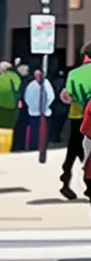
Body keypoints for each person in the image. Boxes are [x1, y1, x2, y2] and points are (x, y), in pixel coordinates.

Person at [58, 44, 91, 200]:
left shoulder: (74, 74)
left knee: (73, 150)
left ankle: (65, 180)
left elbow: (67, 96)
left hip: (77, 115)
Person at [0, 60, 23, 156]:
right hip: (12, 107)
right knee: (9, 129)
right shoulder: (15, 77)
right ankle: (6, 149)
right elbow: (19, 88)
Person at [22, 68, 55, 151]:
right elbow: (27, 98)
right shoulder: (31, 85)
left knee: (44, 132)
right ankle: (34, 147)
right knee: (34, 132)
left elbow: (51, 96)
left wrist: (45, 107)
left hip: (45, 113)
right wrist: (33, 107)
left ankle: (43, 146)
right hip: (34, 113)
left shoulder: (46, 83)